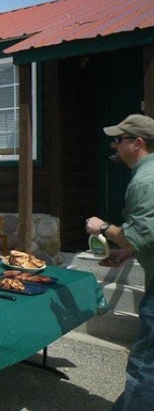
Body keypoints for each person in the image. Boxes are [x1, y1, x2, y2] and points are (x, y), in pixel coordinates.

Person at [85, 114, 154, 410]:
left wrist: (101, 228)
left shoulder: (144, 181)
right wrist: (127, 253)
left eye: (119, 140)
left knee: (145, 361)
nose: (114, 146)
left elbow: (137, 235)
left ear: (137, 143)